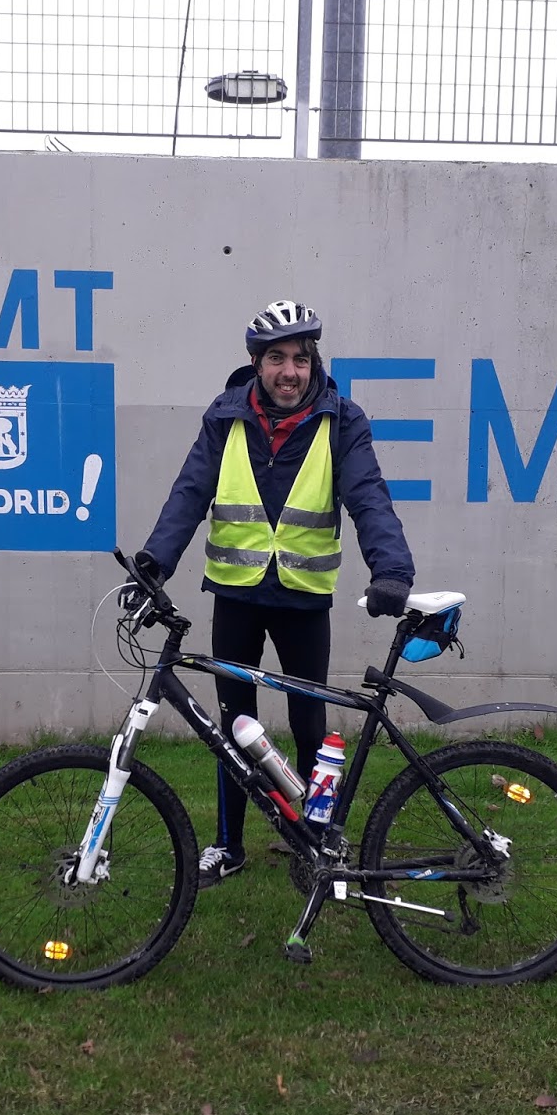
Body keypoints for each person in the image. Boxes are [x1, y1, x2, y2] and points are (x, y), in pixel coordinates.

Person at [131, 299, 415, 889]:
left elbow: (368, 496)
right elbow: (190, 492)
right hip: (235, 596)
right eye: (278, 358)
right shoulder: (225, 417)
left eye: (301, 359)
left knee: (310, 727)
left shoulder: (343, 421)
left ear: (314, 363)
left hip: (303, 601)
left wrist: (391, 569)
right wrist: (156, 561)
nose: (290, 372)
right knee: (232, 727)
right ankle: (228, 845)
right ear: (256, 363)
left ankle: (314, 845)